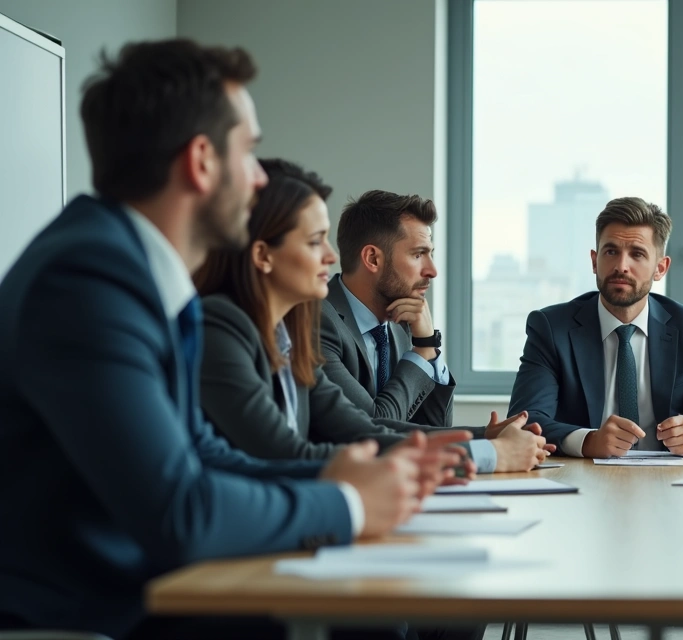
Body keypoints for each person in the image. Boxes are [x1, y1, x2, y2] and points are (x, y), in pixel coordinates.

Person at [0, 39, 442, 638]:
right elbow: (180, 510)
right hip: (85, 615)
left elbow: (205, 454)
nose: (260, 180)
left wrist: (344, 478)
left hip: (140, 591)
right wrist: (349, 503)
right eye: (250, 152)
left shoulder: (138, 272)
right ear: (202, 161)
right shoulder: (88, 283)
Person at [194, 159, 485, 473]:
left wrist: (487, 440)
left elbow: (366, 431)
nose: (331, 256)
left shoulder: (289, 333)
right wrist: (482, 454)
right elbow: (286, 452)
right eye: (315, 241)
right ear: (263, 255)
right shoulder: (225, 326)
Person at [323, 190, 553, 473]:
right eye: (418, 254)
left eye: (430, 254)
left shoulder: (399, 324)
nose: (432, 270)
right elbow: (371, 428)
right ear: (372, 259)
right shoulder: (318, 322)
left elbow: (432, 426)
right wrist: (422, 349)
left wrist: (487, 435)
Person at [509, 197, 683, 458]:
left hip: (666, 477)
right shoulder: (552, 328)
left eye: (637, 254)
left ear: (660, 268)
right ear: (594, 261)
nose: (621, 266)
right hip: (581, 474)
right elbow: (524, 421)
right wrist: (588, 441)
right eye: (611, 252)